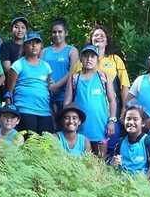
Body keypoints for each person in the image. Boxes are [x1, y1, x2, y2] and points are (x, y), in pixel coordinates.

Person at [70, 25, 129, 153]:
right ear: (91, 40)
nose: (99, 37)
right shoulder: (80, 63)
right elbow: (73, 84)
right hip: (84, 117)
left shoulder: (115, 59)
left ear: (107, 40)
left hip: (109, 113)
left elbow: (124, 85)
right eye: (95, 35)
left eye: (102, 35)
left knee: (109, 149)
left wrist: (124, 109)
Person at [65, 44, 117, 157]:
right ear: (81, 58)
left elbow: (112, 100)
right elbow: (67, 103)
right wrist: (70, 122)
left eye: (92, 56)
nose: (89, 59)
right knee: (81, 162)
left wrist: (112, 121)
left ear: (97, 59)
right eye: (86, 56)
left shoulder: (103, 76)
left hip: (101, 127)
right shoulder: (74, 78)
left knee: (100, 162)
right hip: (80, 129)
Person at [7, 31, 55, 134]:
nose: (34, 46)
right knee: (28, 143)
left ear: (41, 46)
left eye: (37, 43)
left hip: (45, 110)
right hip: (25, 109)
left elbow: (49, 86)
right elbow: (10, 90)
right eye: (30, 43)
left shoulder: (46, 66)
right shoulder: (18, 64)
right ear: (24, 46)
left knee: (46, 145)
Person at [43, 18, 78, 119]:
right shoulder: (45, 51)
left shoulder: (72, 50)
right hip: (46, 95)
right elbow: (40, 69)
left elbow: (72, 72)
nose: (57, 34)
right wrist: (49, 84)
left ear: (66, 33)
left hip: (65, 96)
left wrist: (56, 86)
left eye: (60, 32)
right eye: (54, 32)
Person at [111, 105, 150, 176]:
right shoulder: (120, 142)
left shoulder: (148, 141)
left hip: (141, 183)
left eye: (135, 119)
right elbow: (114, 165)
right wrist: (114, 163)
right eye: (128, 119)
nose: (131, 122)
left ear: (142, 123)